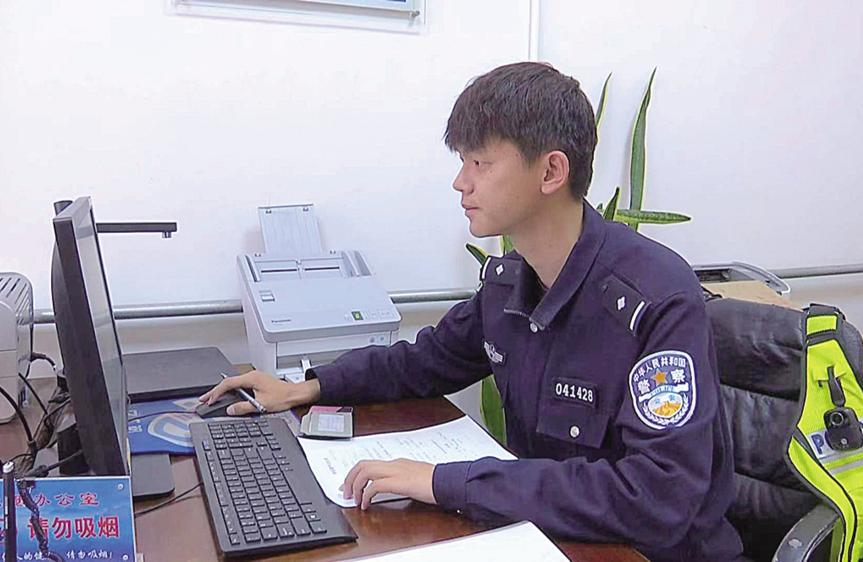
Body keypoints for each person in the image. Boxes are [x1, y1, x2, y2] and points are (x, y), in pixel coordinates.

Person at [201, 61, 743, 561]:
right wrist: (306, 387)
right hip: (549, 537)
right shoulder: (512, 282)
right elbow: (421, 362)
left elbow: (655, 498)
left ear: (551, 171)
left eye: (480, 162)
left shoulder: (655, 298)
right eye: (463, 162)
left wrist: (443, 481)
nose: (461, 182)